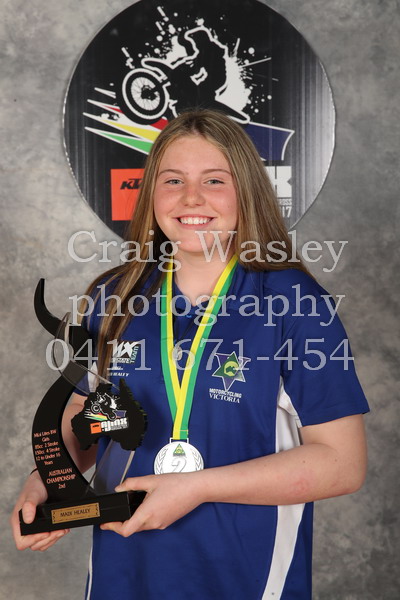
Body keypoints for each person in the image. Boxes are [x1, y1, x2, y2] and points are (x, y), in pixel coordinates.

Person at [11, 109, 369, 599]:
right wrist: (51, 476)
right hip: (124, 574)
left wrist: (197, 486)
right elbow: (88, 419)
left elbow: (342, 464)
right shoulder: (113, 297)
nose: (191, 198)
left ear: (247, 192)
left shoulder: (295, 304)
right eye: (173, 180)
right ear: (151, 193)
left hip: (245, 578)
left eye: (214, 180)